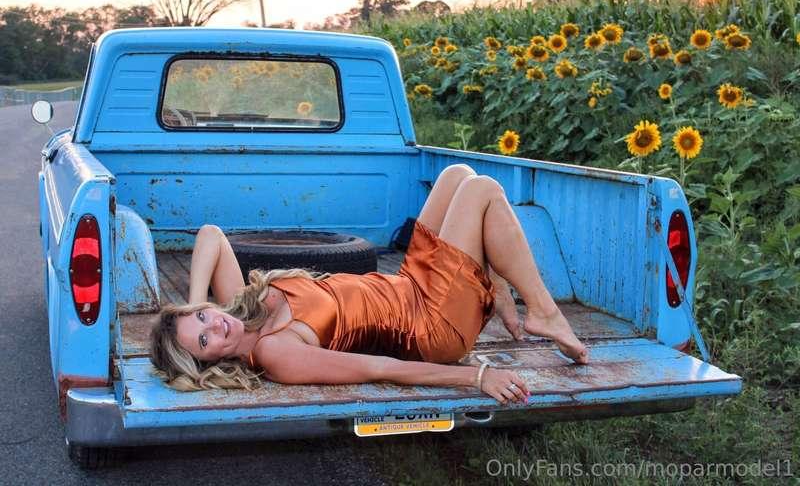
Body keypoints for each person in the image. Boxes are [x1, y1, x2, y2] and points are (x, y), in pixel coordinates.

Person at [150, 164, 589, 405]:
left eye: (203, 318)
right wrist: (477, 376)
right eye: (204, 341)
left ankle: (496, 284)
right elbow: (380, 369)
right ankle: (544, 312)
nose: (215, 326)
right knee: (482, 190)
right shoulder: (273, 352)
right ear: (209, 362)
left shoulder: (239, 308)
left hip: (409, 287)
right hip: (431, 328)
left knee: (457, 175)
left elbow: (211, 235)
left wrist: (194, 306)